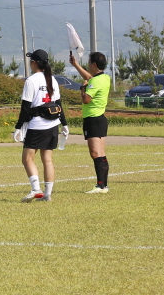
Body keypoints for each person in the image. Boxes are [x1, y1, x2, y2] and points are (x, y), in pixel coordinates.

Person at [16, 49, 66, 202]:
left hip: (37, 125)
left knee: (27, 158)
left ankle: (36, 189)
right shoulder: (52, 79)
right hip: (53, 125)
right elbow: (58, 104)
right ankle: (47, 194)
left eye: (31, 61)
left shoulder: (31, 80)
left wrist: (18, 127)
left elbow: (26, 107)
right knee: (48, 160)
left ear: (34, 63)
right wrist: (64, 123)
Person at [70, 49, 112, 193]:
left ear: (94, 64)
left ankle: (100, 185)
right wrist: (76, 65)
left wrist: (83, 88)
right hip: (100, 119)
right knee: (101, 153)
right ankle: (103, 185)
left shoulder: (94, 81)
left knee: (95, 153)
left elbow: (86, 99)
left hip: (92, 119)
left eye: (89, 63)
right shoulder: (105, 78)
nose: (88, 65)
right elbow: (91, 77)